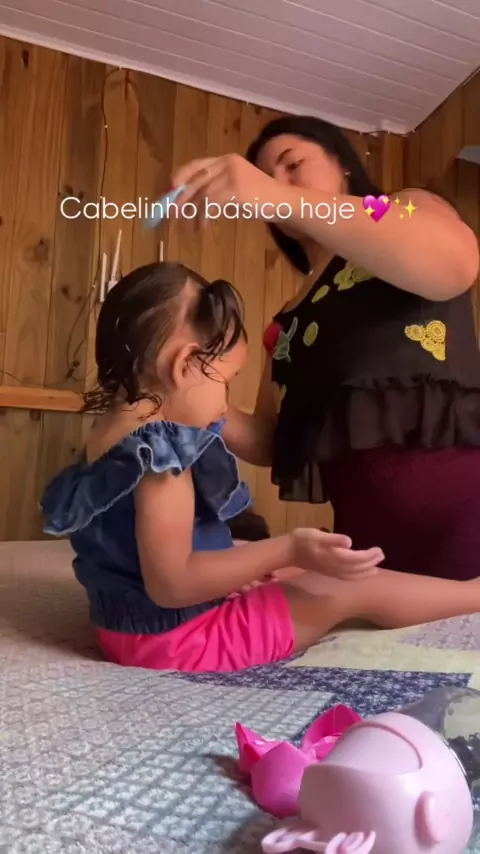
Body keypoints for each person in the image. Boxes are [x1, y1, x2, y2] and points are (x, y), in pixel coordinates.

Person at [40, 261, 480, 674]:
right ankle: (471, 594)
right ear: (184, 364)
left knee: (307, 570)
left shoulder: (111, 434)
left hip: (128, 629)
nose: (224, 403)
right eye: (226, 381)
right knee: (351, 585)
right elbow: (172, 585)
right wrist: (286, 549)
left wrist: (257, 563)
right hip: (181, 640)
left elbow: (146, 552)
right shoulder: (161, 456)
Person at [171, 114, 480, 582]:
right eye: (266, 177)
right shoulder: (288, 320)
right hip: (368, 549)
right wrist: (192, 391)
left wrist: (271, 193)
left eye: (292, 164)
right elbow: (271, 439)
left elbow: (453, 263)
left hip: (464, 520)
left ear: (343, 164)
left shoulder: (402, 209)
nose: (277, 181)